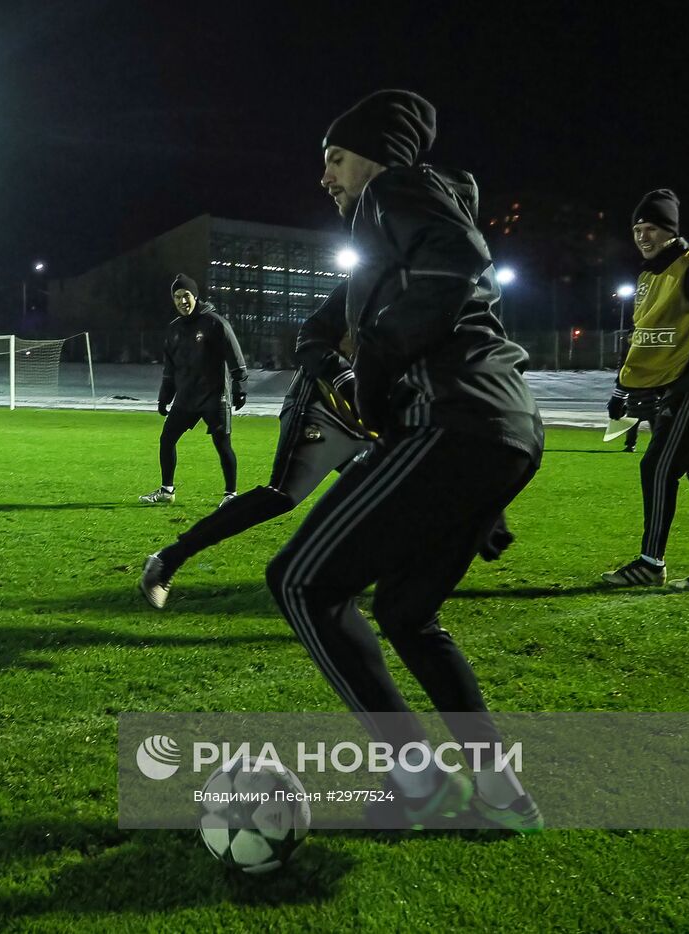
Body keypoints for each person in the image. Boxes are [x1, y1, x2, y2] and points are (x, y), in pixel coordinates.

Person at [264, 90, 545, 831]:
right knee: (406, 611)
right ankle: (504, 800)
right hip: (496, 431)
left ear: (376, 157)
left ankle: (417, 784)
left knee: (299, 581)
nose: (326, 177)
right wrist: (329, 348)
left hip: (451, 428)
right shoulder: (399, 236)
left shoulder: (396, 189)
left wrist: (376, 363)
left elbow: (457, 262)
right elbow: (347, 320)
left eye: (335, 159)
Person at [601, 189, 689, 592]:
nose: (643, 237)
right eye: (637, 229)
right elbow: (642, 336)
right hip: (677, 387)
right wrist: (622, 386)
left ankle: (650, 562)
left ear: (670, 231)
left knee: (657, 467)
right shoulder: (648, 277)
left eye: (652, 229)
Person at [139, 275, 247, 506]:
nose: (182, 301)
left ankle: (231, 495)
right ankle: (167, 491)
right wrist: (164, 396)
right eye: (177, 297)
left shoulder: (215, 323)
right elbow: (170, 366)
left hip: (214, 396)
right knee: (166, 439)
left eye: (185, 296)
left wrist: (240, 385)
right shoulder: (173, 329)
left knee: (222, 444)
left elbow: (234, 353)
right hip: (186, 397)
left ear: (195, 296)